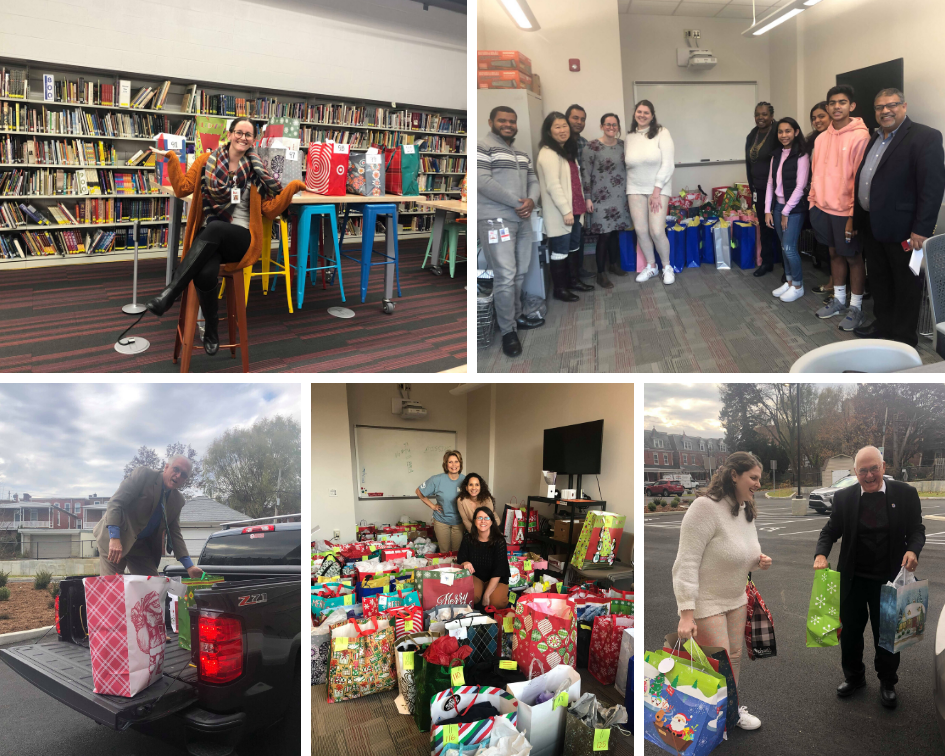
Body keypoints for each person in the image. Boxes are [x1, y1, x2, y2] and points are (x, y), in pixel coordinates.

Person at [147, 118, 303, 354]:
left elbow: (270, 209)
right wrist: (170, 160)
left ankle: (170, 292)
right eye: (239, 132)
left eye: (248, 135)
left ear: (253, 140)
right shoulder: (205, 161)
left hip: (241, 239)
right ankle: (211, 328)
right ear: (229, 135)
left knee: (216, 228)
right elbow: (181, 190)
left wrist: (291, 189)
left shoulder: (257, 169)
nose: (243, 137)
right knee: (204, 273)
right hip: (211, 238)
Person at [814, 445, 925, 709]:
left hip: (889, 581)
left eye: (874, 468)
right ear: (855, 472)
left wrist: (912, 549)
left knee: (887, 636)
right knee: (850, 634)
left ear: (883, 467)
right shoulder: (844, 498)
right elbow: (830, 531)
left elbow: (917, 530)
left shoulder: (905, 494)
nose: (869, 475)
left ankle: (888, 682)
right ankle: (854, 678)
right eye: (863, 470)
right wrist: (821, 554)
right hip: (853, 579)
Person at [672, 451, 772, 730]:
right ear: (734, 475)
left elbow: (742, 551)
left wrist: (759, 560)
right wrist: (686, 614)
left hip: (736, 598)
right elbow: (686, 562)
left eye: (759, 479)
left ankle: (730, 712)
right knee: (719, 663)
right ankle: (710, 718)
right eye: (753, 478)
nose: (758, 484)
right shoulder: (704, 508)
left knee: (735, 659)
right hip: (707, 601)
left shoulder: (745, 508)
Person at [852, 88, 945, 344]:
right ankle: (883, 324)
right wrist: (858, 219)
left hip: (905, 229)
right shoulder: (875, 137)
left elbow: (933, 187)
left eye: (891, 105)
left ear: (904, 106)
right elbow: (867, 179)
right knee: (880, 280)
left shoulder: (925, 137)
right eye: (880, 107)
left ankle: (903, 337)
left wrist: (923, 229)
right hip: (873, 224)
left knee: (905, 285)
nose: (885, 111)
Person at [477, 106, 544, 358]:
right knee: (504, 275)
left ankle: (515, 319)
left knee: (519, 273)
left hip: (523, 221)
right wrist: (518, 203)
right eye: (502, 120)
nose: (508, 125)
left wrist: (531, 201)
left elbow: (533, 180)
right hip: (496, 221)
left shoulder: (520, 153)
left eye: (512, 121)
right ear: (491, 121)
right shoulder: (482, 146)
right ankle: (507, 331)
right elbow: (482, 182)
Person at [810, 85, 871, 332]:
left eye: (842, 102)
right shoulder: (821, 137)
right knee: (834, 255)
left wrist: (852, 217)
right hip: (822, 209)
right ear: (827, 107)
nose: (837, 107)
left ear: (852, 106)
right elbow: (816, 173)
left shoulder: (861, 136)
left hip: (845, 212)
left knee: (853, 258)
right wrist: (813, 202)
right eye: (832, 103)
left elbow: (860, 180)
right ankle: (838, 300)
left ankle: (856, 307)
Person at [94, 457, 204, 578]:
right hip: (115, 538)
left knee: (153, 587)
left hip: (139, 546)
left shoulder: (178, 501)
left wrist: (189, 566)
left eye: (183, 474)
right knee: (112, 587)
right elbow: (116, 503)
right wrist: (114, 538)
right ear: (166, 467)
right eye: (176, 469)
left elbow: (175, 533)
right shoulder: (144, 475)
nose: (178, 475)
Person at [536, 111, 593, 302]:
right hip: (562, 212)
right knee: (560, 250)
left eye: (564, 126)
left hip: (575, 209)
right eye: (557, 127)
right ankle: (560, 289)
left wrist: (577, 208)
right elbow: (553, 186)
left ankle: (573, 281)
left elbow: (574, 182)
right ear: (549, 131)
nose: (562, 130)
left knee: (574, 247)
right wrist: (566, 211)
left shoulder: (566, 151)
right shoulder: (548, 153)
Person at [624, 100, 675, 284]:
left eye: (646, 112)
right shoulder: (630, 137)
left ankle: (667, 266)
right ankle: (651, 266)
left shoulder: (662, 133)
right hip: (635, 188)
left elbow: (668, 164)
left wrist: (656, 190)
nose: (642, 115)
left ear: (652, 116)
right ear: (635, 113)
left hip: (658, 188)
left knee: (656, 230)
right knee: (641, 230)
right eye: (639, 111)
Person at [582, 113, 632, 289]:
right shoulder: (592, 146)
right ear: (602, 126)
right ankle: (600, 273)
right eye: (607, 124)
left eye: (614, 124)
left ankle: (613, 265)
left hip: (619, 196)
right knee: (603, 235)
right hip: (599, 198)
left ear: (618, 127)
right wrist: (587, 198)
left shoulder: (623, 146)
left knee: (616, 232)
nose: (611, 127)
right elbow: (585, 174)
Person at [765, 117, 810, 303]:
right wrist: (768, 209)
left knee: (789, 247)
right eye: (781, 131)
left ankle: (798, 285)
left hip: (794, 208)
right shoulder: (776, 155)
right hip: (777, 206)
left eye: (788, 131)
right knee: (784, 248)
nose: (784, 135)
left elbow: (801, 186)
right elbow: (770, 183)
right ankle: (789, 281)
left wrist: (786, 211)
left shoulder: (802, 155)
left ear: (796, 132)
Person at [745, 102, 783, 278]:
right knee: (764, 227)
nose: (761, 117)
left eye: (765, 114)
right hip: (759, 189)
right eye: (758, 114)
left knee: (782, 229)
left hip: (777, 190)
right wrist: (751, 186)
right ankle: (767, 262)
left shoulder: (778, 133)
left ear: (772, 115)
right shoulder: (752, 135)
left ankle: (787, 268)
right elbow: (749, 163)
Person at [458, 506, 510, 610]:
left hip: (496, 579)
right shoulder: (468, 538)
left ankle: (486, 595)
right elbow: (460, 558)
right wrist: (465, 562)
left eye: (486, 518)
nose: (483, 521)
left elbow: (499, 570)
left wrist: (486, 595)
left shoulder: (499, 541)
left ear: (492, 522)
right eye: (479, 518)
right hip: (476, 576)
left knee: (497, 602)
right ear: (474, 521)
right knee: (471, 596)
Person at [565, 104, 595, 282]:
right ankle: (568, 276)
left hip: (580, 197)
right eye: (575, 118)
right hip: (564, 197)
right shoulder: (559, 142)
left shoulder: (585, 144)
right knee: (565, 238)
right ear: (567, 118)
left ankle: (578, 269)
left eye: (582, 119)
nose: (579, 122)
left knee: (578, 235)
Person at [416, 450, 465, 553]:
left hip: (459, 522)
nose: (453, 465)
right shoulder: (437, 479)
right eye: (450, 462)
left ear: (460, 463)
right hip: (442, 521)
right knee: (445, 552)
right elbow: (419, 491)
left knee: (457, 552)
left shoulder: (466, 480)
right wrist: (433, 506)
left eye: (456, 461)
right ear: (446, 465)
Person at [806, 102, 833, 286]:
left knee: (838, 248)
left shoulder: (839, 139)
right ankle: (834, 281)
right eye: (814, 118)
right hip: (816, 198)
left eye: (821, 116)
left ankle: (838, 283)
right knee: (826, 244)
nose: (817, 121)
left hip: (835, 201)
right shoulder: (812, 140)